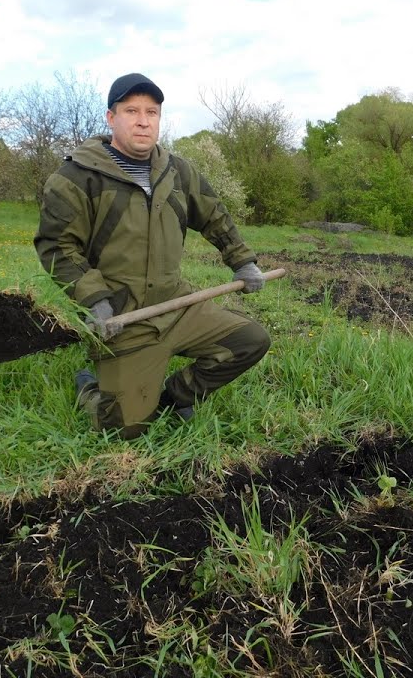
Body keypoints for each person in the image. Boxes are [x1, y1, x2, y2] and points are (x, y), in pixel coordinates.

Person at [34, 72, 271, 439]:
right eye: (131, 111)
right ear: (111, 118)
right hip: (124, 317)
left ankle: (176, 398)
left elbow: (214, 215)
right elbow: (57, 247)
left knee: (250, 341)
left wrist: (241, 260)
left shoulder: (177, 171)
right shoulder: (76, 177)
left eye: (152, 112)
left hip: (177, 305)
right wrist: (95, 300)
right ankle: (89, 388)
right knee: (123, 431)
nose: (143, 120)